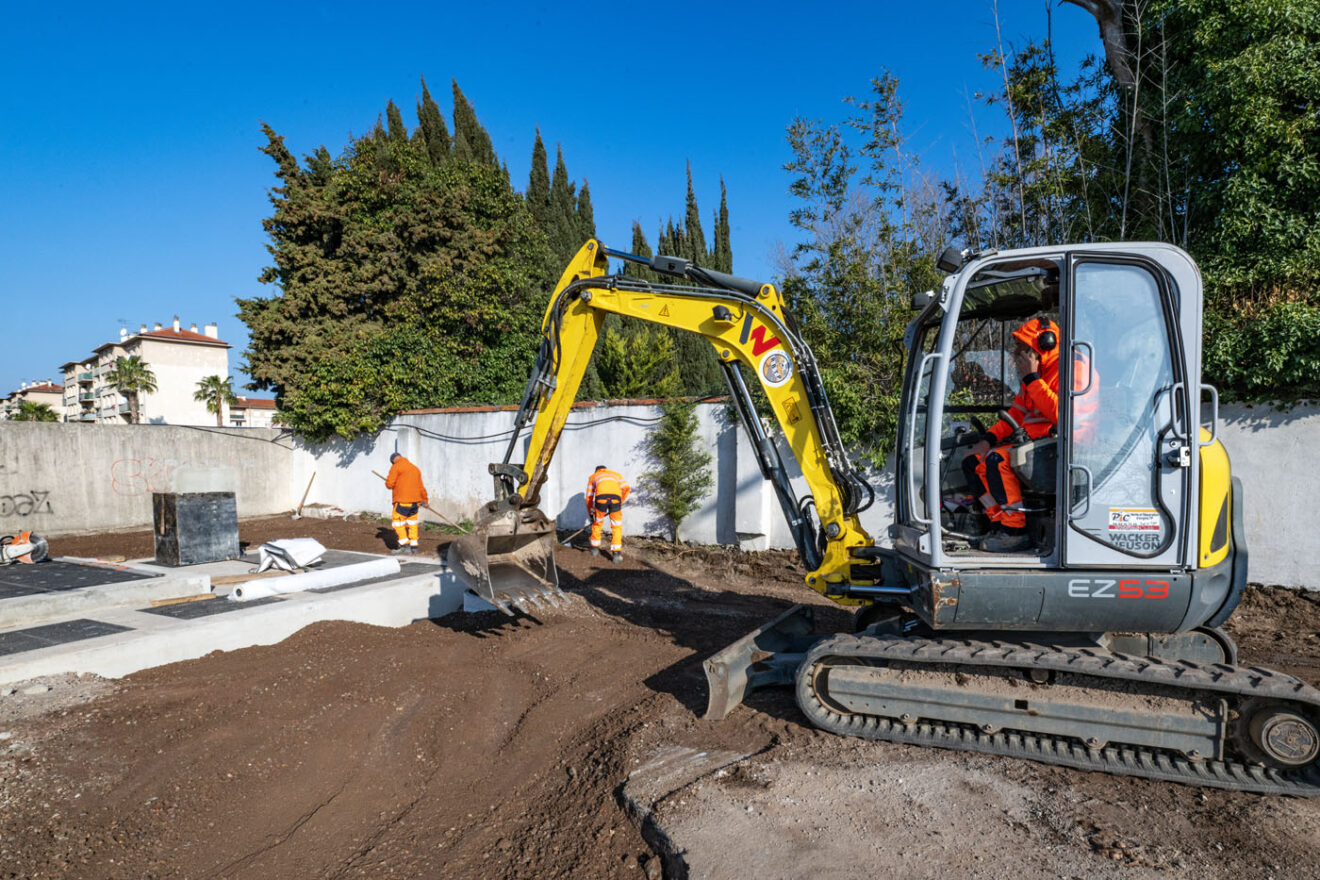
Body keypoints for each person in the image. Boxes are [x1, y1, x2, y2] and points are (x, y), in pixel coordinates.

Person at [960, 317, 1065, 553]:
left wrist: (1032, 378)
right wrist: (987, 440)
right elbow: (1016, 414)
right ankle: (997, 523)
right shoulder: (1034, 377)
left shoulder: (1069, 368)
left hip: (1061, 447)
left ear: (1044, 344)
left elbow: (1064, 415)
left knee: (998, 460)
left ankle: (1014, 531)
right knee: (972, 462)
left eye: (1021, 346)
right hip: (1032, 444)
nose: (1016, 352)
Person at [384, 452, 428, 555]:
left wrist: (388, 482)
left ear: (393, 461)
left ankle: (405, 546)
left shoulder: (396, 467)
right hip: (415, 503)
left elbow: (390, 484)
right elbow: (421, 487)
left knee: (398, 523)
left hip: (402, 502)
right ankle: (414, 547)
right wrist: (425, 500)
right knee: (412, 524)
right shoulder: (415, 469)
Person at [586, 465, 631, 563]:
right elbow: (626, 488)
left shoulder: (593, 476)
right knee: (616, 526)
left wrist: (590, 513)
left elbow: (589, 497)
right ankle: (617, 555)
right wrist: (620, 501)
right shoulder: (616, 475)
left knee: (597, 523)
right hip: (616, 500)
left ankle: (594, 549)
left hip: (601, 499)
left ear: (596, 471)